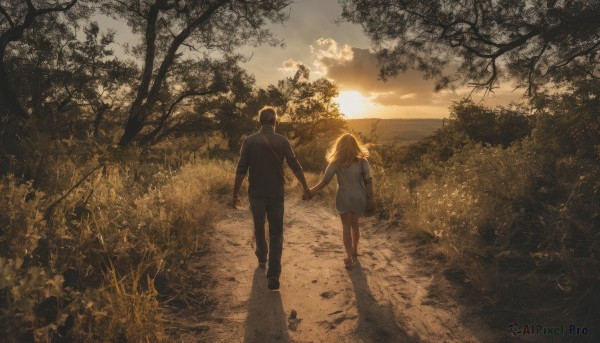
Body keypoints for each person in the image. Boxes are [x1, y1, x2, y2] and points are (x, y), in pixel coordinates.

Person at [232, 106, 312, 290]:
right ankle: (274, 275)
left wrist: (234, 193)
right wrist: (305, 186)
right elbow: (295, 165)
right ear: (275, 122)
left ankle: (262, 257)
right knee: (276, 234)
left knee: (259, 226)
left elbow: (241, 168)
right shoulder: (283, 141)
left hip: (256, 194)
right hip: (276, 194)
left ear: (260, 121)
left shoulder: (249, 141)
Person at [308, 133, 374, 270]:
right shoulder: (362, 161)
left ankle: (349, 257)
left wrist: (310, 191)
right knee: (355, 225)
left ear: (339, 146)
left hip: (344, 195)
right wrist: (370, 198)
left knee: (346, 228)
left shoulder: (336, 162)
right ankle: (355, 250)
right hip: (359, 195)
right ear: (355, 145)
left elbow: (325, 181)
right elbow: (368, 181)